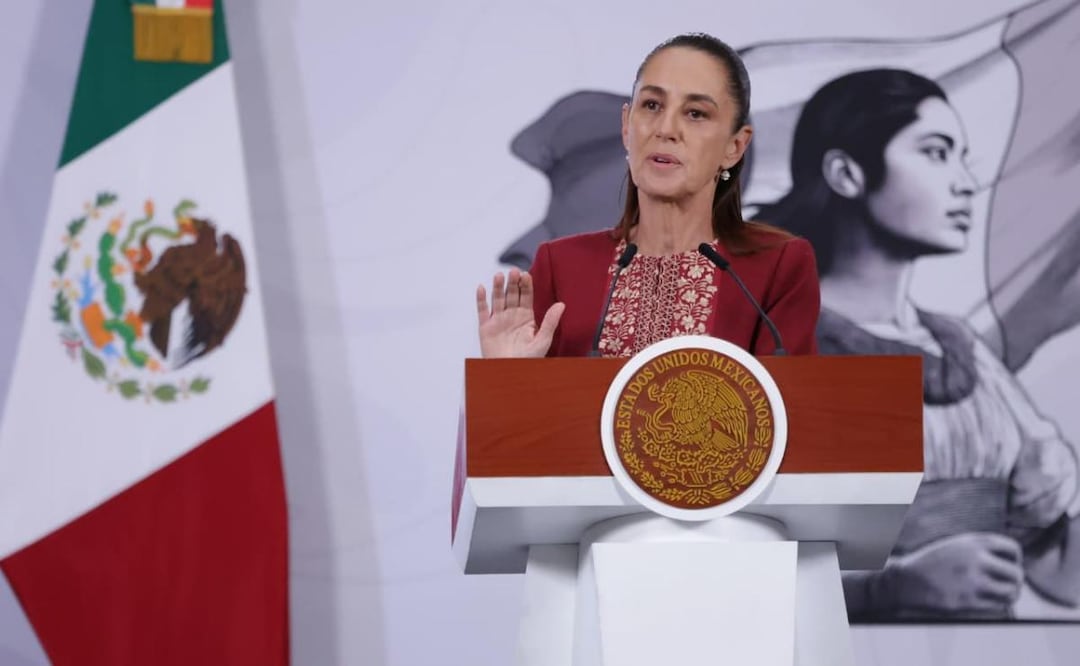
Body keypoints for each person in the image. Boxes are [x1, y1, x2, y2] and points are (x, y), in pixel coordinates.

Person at [756, 68, 1080, 620]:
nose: (965, 182)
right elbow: (725, 566)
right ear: (846, 174)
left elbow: (1055, 564)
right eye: (935, 153)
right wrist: (891, 587)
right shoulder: (775, 347)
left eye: (961, 157)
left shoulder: (962, 348)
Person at [475, 33, 821, 359]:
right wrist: (507, 375)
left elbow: (791, 399)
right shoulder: (560, 266)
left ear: (735, 146)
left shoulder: (778, 265)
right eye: (652, 105)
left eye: (696, 113)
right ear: (627, 126)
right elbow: (525, 402)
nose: (665, 129)